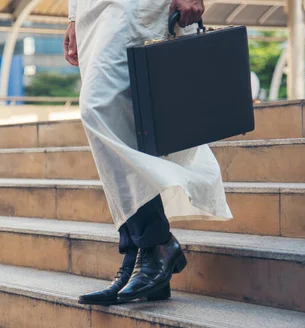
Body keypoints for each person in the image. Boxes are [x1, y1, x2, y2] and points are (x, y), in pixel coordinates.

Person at [64, 0, 232, 305]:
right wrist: (75, 17)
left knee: (95, 109)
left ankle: (155, 243)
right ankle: (139, 257)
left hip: (136, 7)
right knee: (123, 124)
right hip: (93, 13)